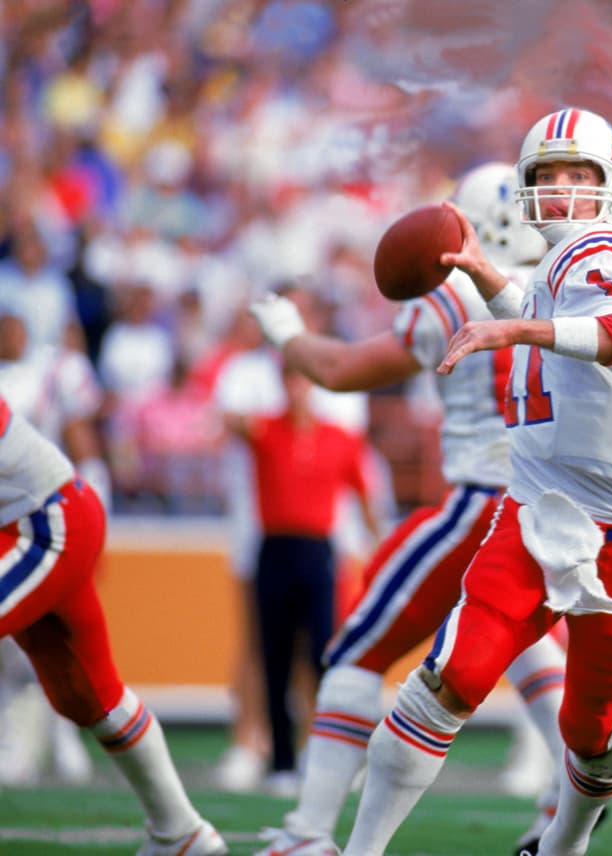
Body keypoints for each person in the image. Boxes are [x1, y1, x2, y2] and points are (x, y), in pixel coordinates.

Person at [340, 107, 612, 856]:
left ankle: (563, 845)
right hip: (531, 516)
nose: (558, 192)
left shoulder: (607, 250)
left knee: (593, 739)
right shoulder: (556, 266)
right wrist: (493, 284)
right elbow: (535, 309)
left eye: (577, 176)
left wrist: (516, 329)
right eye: (545, 177)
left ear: (609, 184)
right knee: (446, 679)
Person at [247, 162, 572, 856]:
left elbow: (337, 369)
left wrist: (284, 335)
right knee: (527, 640)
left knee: (355, 656)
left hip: (480, 501)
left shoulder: (451, 297)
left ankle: (306, 834)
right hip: (557, 509)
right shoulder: (570, 286)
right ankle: (565, 791)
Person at [0, 392, 228, 855]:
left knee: (90, 695)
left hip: (46, 524)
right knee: (87, 697)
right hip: (52, 516)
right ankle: (180, 831)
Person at [224, 363, 381, 796]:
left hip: (318, 553)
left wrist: (379, 550)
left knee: (320, 658)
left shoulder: (339, 437)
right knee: (274, 658)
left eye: (302, 381)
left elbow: (364, 495)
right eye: (289, 381)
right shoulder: (265, 429)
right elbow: (223, 422)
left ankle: (328, 751)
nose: (295, 390)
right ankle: (281, 762)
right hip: (274, 549)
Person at [0, 308, 106, 785]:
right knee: (15, 644)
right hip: (12, 516)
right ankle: (17, 741)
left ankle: (62, 738)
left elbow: (81, 438)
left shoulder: (49, 372)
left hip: (45, 514)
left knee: (57, 636)